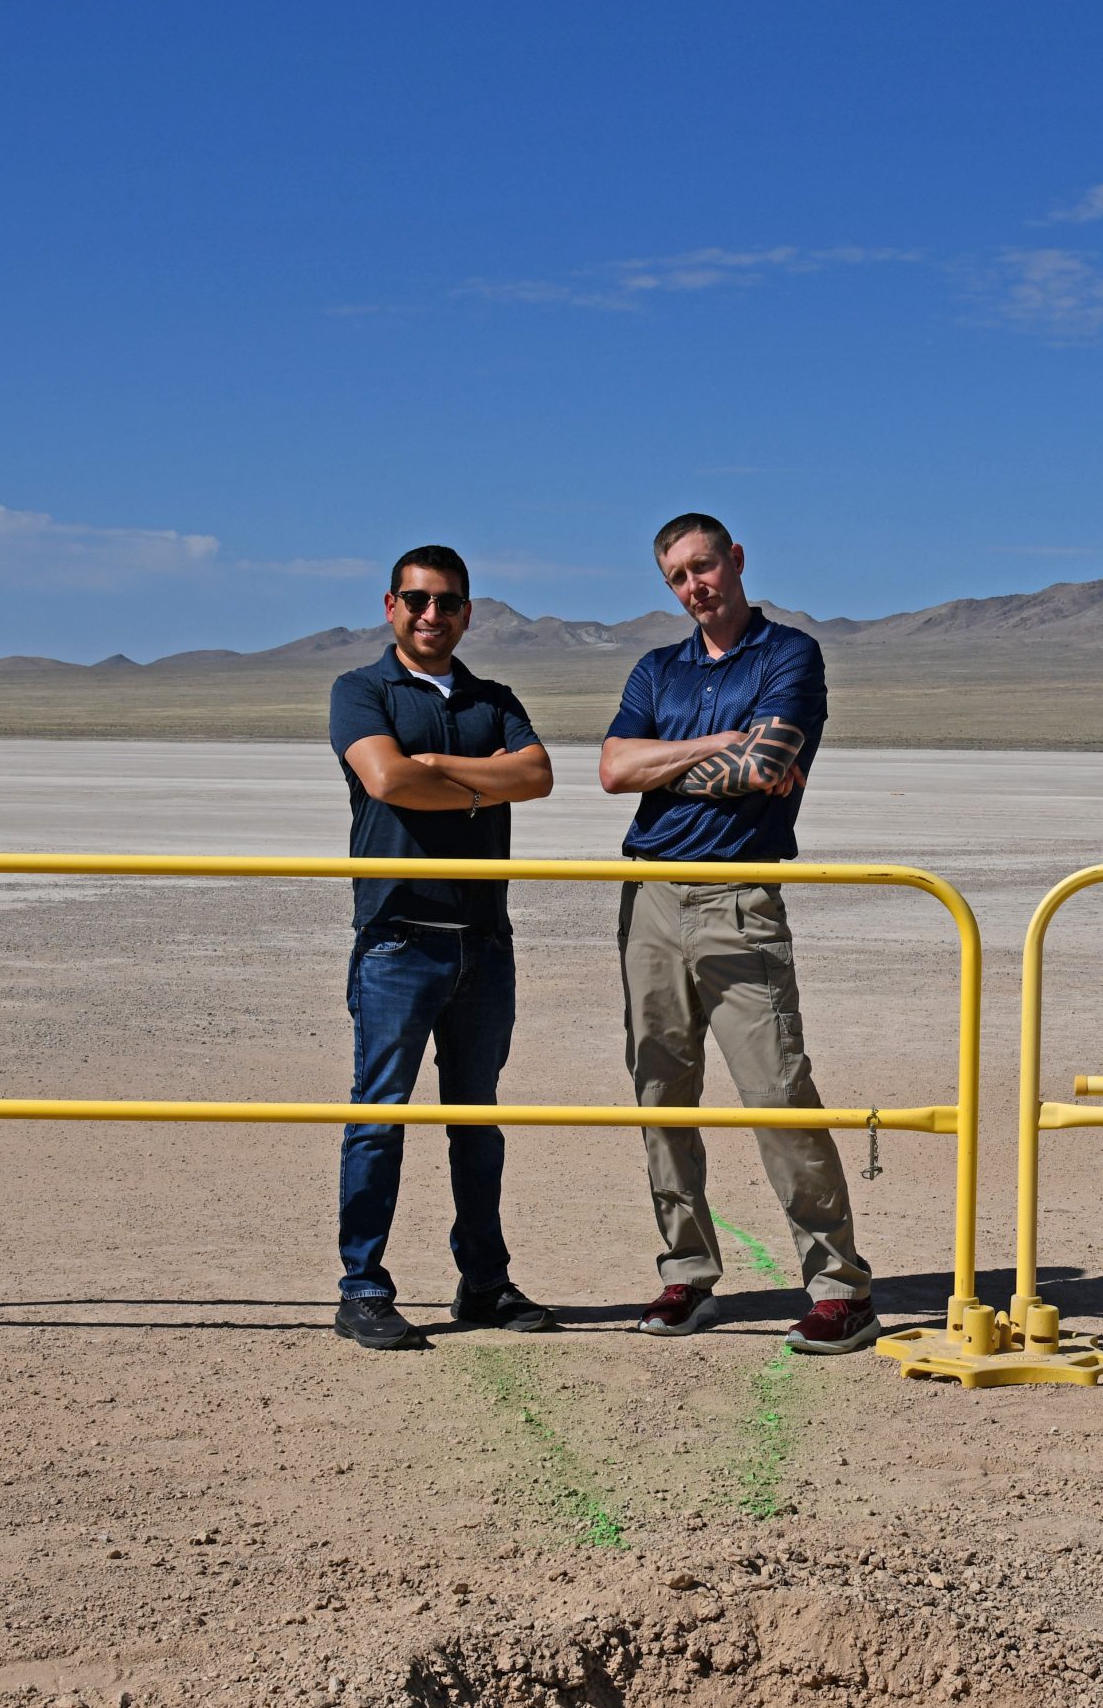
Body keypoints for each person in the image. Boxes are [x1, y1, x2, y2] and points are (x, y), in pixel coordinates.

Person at [599, 515, 879, 1355]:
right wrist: (721, 742)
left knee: (777, 1089)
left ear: (737, 560)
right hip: (649, 894)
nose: (696, 586)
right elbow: (612, 769)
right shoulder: (658, 668)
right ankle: (686, 1272)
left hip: (737, 896)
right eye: (678, 577)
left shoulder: (789, 655)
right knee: (660, 1089)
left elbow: (765, 768)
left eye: (705, 566)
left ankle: (839, 1286)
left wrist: (667, 761)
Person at [328, 546, 556, 1351]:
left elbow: (536, 774)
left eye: (449, 602)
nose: (434, 615)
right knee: (378, 1117)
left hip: (484, 942)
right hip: (399, 937)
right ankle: (362, 1288)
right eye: (419, 600)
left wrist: (435, 766)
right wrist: (480, 782)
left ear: (468, 612)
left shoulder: (495, 699)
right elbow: (387, 780)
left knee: (477, 1120)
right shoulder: (361, 690)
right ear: (391, 605)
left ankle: (484, 1283)